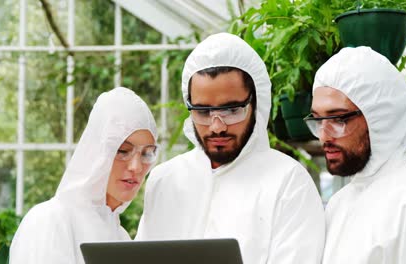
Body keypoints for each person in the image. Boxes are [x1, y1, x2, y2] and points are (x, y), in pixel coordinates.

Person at [135, 33, 325, 263]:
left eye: (231, 110)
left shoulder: (288, 182)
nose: (216, 127)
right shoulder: (165, 179)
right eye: (203, 112)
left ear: (256, 104)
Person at [304, 46, 406, 264]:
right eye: (318, 120)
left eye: (339, 119)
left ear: (380, 117)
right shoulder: (339, 203)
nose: (324, 136)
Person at [9, 87, 158, 264]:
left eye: (146, 154)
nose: (136, 167)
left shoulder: (121, 237)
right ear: (97, 151)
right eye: (122, 151)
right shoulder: (49, 220)